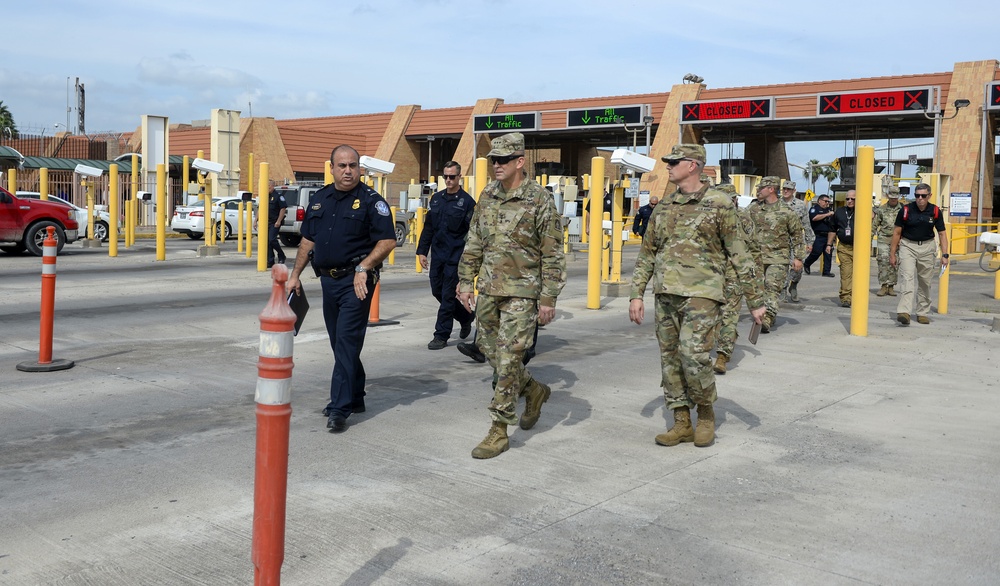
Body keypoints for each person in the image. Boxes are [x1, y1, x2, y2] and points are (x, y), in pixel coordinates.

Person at [630, 145, 765, 448]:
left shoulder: (719, 203)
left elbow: (739, 253)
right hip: (666, 294)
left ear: (693, 166)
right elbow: (648, 254)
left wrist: (756, 301)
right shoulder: (664, 206)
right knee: (670, 360)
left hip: (702, 295)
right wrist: (635, 294)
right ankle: (680, 422)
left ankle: (705, 415)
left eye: (674, 163)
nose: (668, 167)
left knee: (694, 357)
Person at [457, 132, 566, 459]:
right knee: (487, 348)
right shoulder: (488, 194)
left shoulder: (539, 199)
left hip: (523, 292)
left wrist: (548, 298)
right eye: (493, 160)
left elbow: (554, 253)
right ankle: (533, 390)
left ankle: (499, 429)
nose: (496, 165)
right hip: (489, 288)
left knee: (508, 359)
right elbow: (474, 239)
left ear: (520, 162)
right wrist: (465, 280)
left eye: (503, 160)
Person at [285, 145, 397, 433]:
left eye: (353, 165)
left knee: (346, 342)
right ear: (332, 168)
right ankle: (356, 395)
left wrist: (364, 267)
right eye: (342, 165)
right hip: (328, 282)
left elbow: (387, 241)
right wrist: (294, 274)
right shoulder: (320, 199)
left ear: (359, 168)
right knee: (339, 343)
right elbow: (308, 240)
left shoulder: (372, 201)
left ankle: (339, 408)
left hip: (356, 283)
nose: (348, 170)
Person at [417, 161, 476, 350]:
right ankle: (465, 317)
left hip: (456, 257)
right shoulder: (436, 199)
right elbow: (428, 228)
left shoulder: (467, 202)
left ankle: (441, 335)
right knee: (437, 291)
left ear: (459, 177)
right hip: (438, 255)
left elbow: (473, 235)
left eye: (452, 176)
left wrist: (469, 262)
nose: (448, 180)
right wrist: (422, 251)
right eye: (446, 177)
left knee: (448, 296)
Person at [714, 183, 761, 375]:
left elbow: (754, 249)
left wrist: (756, 280)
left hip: (734, 273)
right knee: (711, 315)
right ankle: (723, 340)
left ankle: (722, 355)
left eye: (732, 199)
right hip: (711, 273)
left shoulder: (744, 219)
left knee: (729, 314)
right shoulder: (709, 217)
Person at [748, 176, 806, 332]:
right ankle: (761, 313)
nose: (758, 191)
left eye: (761, 188)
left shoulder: (787, 212)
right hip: (756, 257)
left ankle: (768, 318)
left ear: (771, 189)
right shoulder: (753, 209)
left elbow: (797, 235)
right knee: (758, 289)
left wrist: (798, 258)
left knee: (772, 287)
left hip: (778, 257)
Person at [890, 183, 948, 325]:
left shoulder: (935, 211)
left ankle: (922, 312)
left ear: (929, 196)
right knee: (907, 279)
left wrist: (945, 255)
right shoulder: (906, 210)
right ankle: (904, 312)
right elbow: (897, 232)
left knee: (925, 282)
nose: (920, 198)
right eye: (917, 195)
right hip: (908, 246)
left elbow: (942, 234)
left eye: (923, 196)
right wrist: (892, 254)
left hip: (927, 247)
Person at [780, 181, 811, 302]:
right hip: (781, 242)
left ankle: (794, 285)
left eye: (788, 189)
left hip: (796, 242)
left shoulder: (800, 205)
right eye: (784, 189)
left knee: (797, 268)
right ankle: (782, 290)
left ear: (794, 191)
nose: (786, 191)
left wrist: (809, 242)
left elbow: (806, 224)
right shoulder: (777, 204)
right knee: (782, 268)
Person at [872, 185, 903, 296]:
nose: (893, 199)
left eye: (895, 197)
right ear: (888, 197)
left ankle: (891, 286)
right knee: (883, 261)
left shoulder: (903, 210)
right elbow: (874, 225)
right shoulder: (881, 210)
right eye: (891, 197)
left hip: (898, 240)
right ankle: (883, 285)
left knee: (895, 262)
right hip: (884, 239)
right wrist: (869, 240)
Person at [828, 190, 857, 307]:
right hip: (844, 247)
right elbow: (832, 229)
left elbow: (872, 218)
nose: (850, 201)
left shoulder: (863, 210)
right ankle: (846, 297)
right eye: (848, 199)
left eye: (853, 199)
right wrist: (829, 245)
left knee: (858, 274)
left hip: (859, 248)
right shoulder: (839, 212)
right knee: (846, 273)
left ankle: (857, 296)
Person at [803, 194, 836, 277]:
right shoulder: (815, 209)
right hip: (818, 235)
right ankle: (807, 263)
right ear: (819, 201)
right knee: (816, 252)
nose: (827, 203)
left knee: (828, 253)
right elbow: (814, 218)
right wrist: (827, 215)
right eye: (825, 201)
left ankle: (826, 271)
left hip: (828, 235)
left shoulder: (828, 209)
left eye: (828, 201)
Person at [263, 180, 286, 268]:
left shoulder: (278, 196)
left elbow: (283, 208)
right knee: (267, 242)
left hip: (275, 222)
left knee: (272, 239)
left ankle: (281, 255)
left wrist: (279, 221)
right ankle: (270, 260)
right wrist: (255, 220)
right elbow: (260, 208)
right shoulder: (265, 196)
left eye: (268, 186)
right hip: (266, 222)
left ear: (272, 186)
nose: (267, 188)